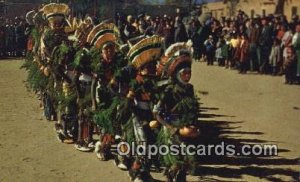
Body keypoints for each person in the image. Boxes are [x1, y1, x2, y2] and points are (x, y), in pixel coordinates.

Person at [154, 43, 200, 182]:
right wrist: (171, 128)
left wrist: (193, 125)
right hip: (170, 126)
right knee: (174, 161)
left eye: (189, 73)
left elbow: (192, 109)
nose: (187, 76)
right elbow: (157, 112)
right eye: (184, 73)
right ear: (177, 74)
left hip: (184, 127)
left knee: (186, 160)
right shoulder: (169, 90)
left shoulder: (190, 89)